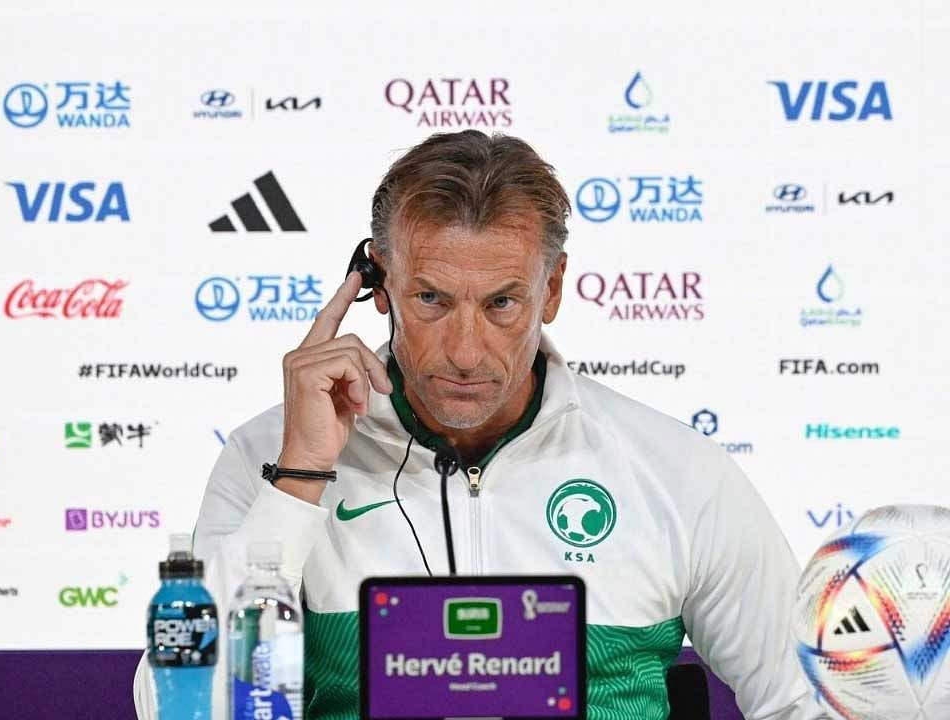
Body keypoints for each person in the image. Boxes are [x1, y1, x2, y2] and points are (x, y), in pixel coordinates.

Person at [134, 130, 825, 719]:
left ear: (552, 290)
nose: (465, 351)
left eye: (501, 304)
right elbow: (172, 708)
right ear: (378, 284)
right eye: (431, 299)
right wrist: (300, 478)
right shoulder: (270, 456)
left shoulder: (676, 469)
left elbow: (807, 701)